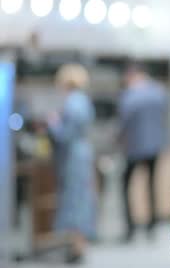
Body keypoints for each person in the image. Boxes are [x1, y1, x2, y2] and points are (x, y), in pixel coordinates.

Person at [47, 63, 96, 263]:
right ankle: (78, 245)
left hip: (73, 156)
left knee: (75, 200)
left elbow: (65, 135)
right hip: (81, 154)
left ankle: (77, 247)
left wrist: (53, 123)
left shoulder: (72, 103)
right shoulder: (83, 100)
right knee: (81, 199)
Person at [118, 62, 168, 242]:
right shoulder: (159, 91)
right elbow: (164, 115)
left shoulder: (129, 95)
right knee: (151, 186)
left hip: (134, 147)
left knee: (125, 186)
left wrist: (118, 140)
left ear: (132, 75)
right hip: (155, 145)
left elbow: (124, 122)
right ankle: (151, 226)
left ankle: (130, 228)